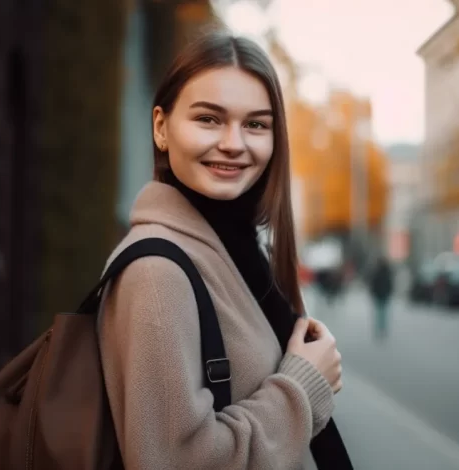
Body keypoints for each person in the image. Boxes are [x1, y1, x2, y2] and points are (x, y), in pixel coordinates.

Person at [97, 32, 350, 469]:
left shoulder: (239, 254)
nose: (234, 142)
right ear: (161, 127)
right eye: (209, 119)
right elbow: (174, 462)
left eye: (255, 124)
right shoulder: (158, 272)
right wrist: (302, 388)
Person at [368, 254, 394, 340]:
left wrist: (373, 292)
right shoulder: (387, 271)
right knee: (382, 314)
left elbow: (373, 283)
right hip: (383, 294)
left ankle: (380, 329)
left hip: (380, 294)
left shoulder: (378, 271)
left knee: (380, 313)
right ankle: (382, 329)